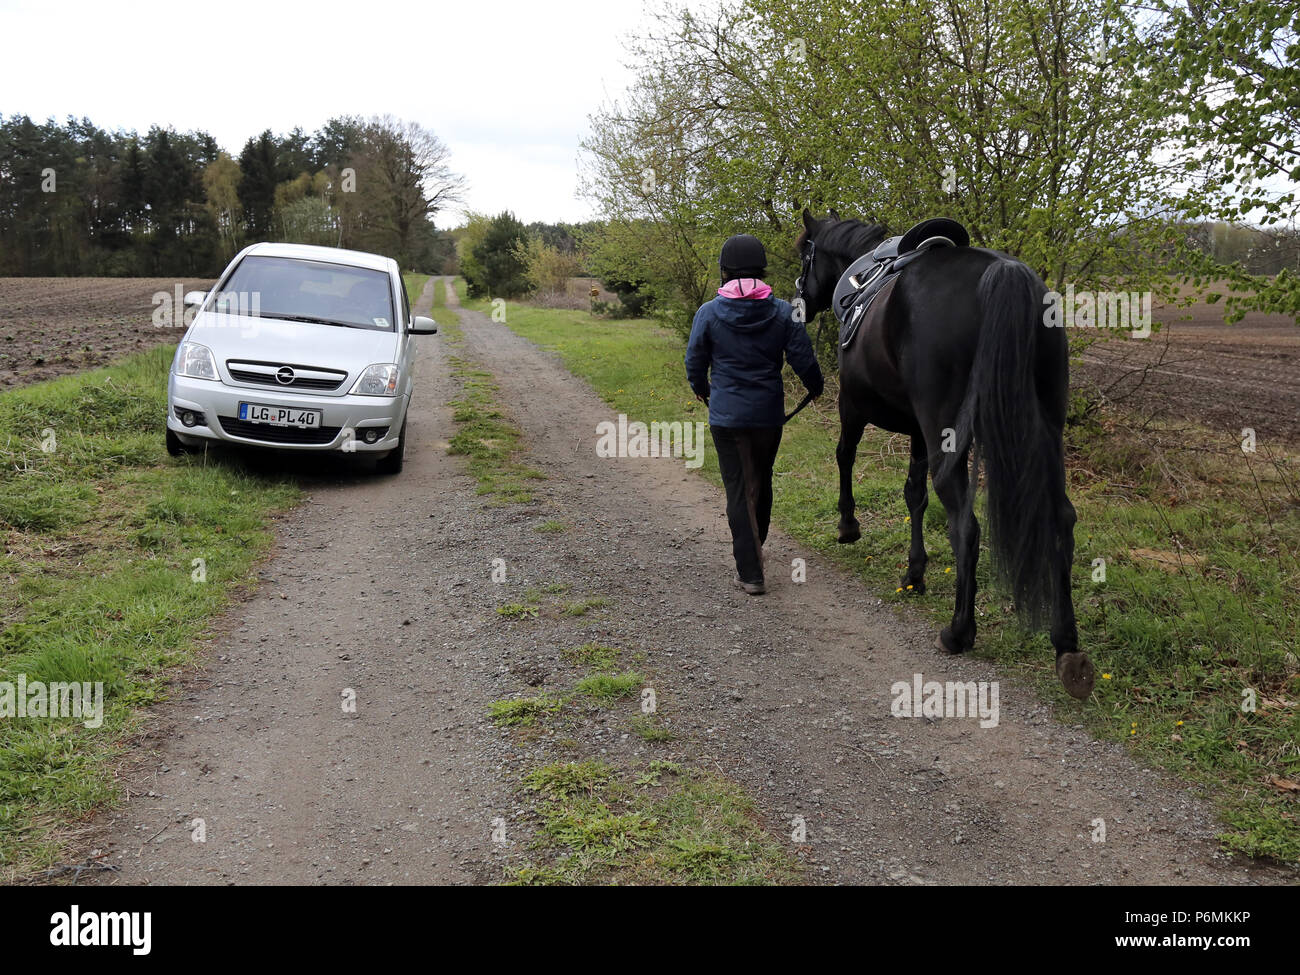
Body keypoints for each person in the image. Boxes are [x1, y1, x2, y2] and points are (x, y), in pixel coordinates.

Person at [685, 233, 824, 595]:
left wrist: (700, 387)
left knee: (737, 489)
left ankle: (749, 571)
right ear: (761, 270)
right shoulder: (783, 310)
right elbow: (803, 357)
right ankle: (754, 550)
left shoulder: (709, 311)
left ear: (724, 271)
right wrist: (816, 386)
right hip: (767, 416)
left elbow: (694, 359)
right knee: (760, 482)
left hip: (727, 417)